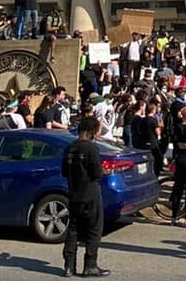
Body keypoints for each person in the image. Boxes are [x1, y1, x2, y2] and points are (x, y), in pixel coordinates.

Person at [62, 116, 109, 277]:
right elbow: (96, 173)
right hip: (90, 193)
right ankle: (90, 264)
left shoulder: (69, 148)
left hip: (73, 193)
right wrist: (103, 172)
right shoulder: (92, 149)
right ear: (91, 132)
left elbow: (64, 171)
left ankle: (69, 265)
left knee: (73, 229)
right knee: (94, 230)